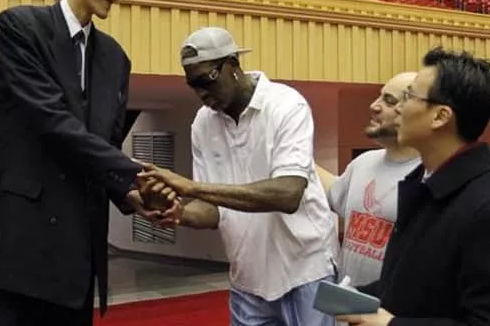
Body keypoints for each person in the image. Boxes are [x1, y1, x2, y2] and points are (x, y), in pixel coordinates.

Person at [0, 0, 174, 326]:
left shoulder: (116, 59)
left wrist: (131, 194)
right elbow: (52, 121)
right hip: (14, 251)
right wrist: (138, 172)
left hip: (77, 261)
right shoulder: (20, 27)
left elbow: (105, 146)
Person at [139, 27, 340, 326]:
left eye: (207, 80)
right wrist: (177, 213)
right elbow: (212, 209)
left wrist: (190, 187)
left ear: (232, 65)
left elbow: (288, 194)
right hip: (247, 278)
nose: (201, 93)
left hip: (305, 271)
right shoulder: (203, 124)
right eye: (193, 85)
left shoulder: (286, 105)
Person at [337, 48, 490, 325]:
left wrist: (390, 324)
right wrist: (360, 297)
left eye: (408, 97)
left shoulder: (482, 204)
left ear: (440, 116)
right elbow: (413, 285)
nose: (399, 109)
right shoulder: (421, 182)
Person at [316, 72, 420, 288]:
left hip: (391, 307)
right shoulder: (364, 162)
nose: (374, 105)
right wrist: (294, 157)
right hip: (348, 300)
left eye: (389, 101)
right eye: (379, 96)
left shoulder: (429, 176)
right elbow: (334, 191)